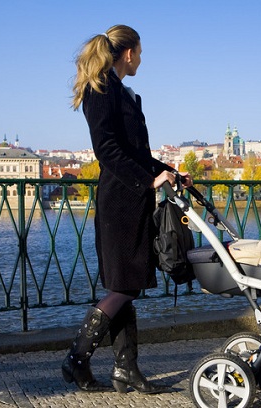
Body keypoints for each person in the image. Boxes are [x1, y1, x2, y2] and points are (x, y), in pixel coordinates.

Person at [62, 24, 192, 394]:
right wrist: (148, 181)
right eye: (141, 53)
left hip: (131, 197)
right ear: (130, 53)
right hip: (119, 200)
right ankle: (76, 359)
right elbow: (107, 151)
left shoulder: (124, 94)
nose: (142, 60)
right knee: (124, 285)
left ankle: (126, 369)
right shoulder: (101, 90)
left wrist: (167, 173)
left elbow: (135, 153)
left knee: (127, 285)